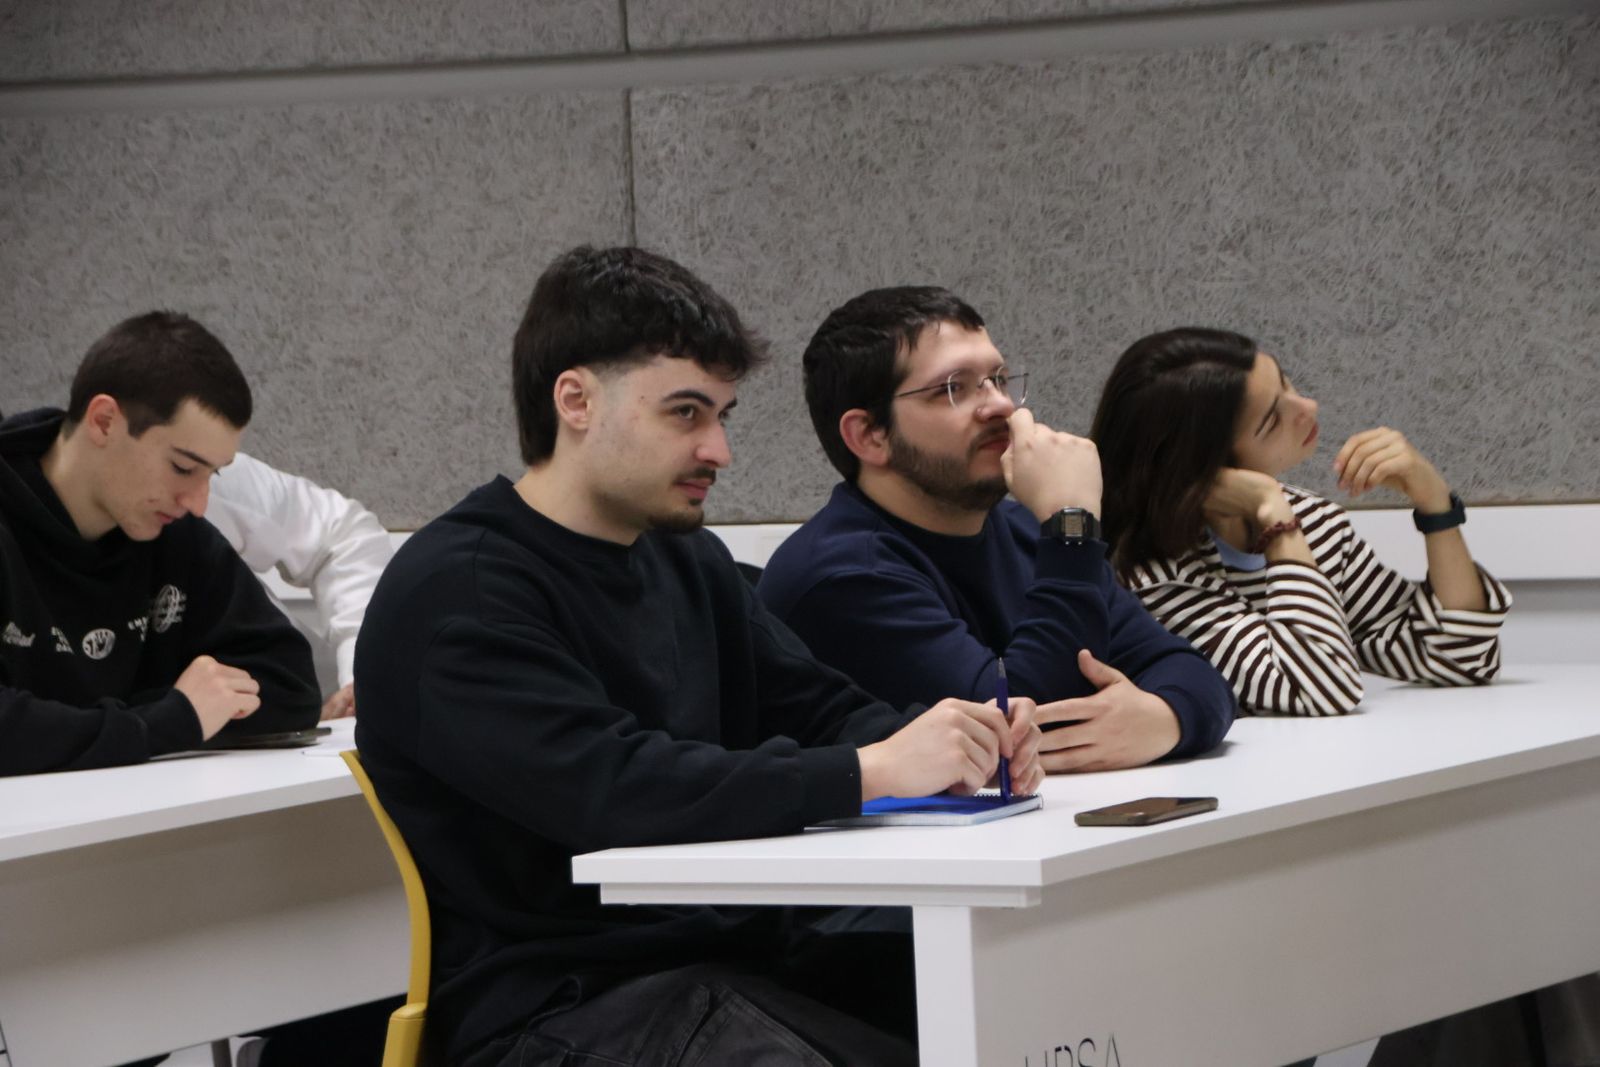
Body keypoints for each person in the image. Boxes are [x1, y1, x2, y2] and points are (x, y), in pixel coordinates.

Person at [354, 248, 1043, 1067]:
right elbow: (615, 789)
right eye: (685, 413)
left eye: (723, 414)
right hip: (558, 1005)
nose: (718, 448)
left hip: (724, 952)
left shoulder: (683, 557)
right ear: (574, 400)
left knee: (1011, 989)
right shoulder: (457, 592)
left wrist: (959, 739)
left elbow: (814, 704)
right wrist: (871, 770)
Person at [758, 286, 1233, 773]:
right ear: (869, 435)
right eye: (953, 389)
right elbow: (1010, 729)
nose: (1001, 407)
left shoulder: (1023, 529)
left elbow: (1193, 673)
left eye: (998, 379)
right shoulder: (839, 574)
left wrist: (1164, 718)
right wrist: (1072, 520)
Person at [1089, 327, 1510, 716]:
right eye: (1272, 419)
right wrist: (1274, 515)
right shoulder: (1151, 576)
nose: (1308, 407)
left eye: (1287, 383)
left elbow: (1461, 655)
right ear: (1205, 466)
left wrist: (1435, 505)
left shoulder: (1313, 522)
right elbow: (1319, 688)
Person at [0, 311, 322, 776]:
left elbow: (290, 687)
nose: (197, 502)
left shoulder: (172, 534)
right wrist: (168, 718)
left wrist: (90, 727)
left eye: (213, 474)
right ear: (105, 421)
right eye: (183, 467)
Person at [208, 452, 394, 719]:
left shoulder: (209, 472)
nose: (193, 501)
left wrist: (359, 675)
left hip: (325, 715)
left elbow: (341, 534)